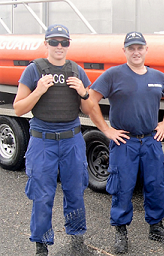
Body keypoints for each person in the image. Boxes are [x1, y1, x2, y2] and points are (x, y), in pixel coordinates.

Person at [88, 31, 164, 253]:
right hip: (124, 143)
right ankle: (121, 231)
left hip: (151, 141)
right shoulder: (113, 75)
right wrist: (107, 130)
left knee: (156, 185)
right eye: (131, 48)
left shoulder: (158, 77)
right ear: (125, 51)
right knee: (122, 187)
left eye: (140, 47)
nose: (136, 52)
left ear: (146, 49)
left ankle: (156, 227)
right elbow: (90, 101)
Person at [13, 24, 93, 256]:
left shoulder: (77, 70)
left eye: (64, 42)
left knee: (75, 191)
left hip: (72, 140)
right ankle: (42, 244)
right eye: (54, 42)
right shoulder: (33, 70)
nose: (59, 46)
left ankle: (76, 238)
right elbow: (18, 108)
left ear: (69, 44)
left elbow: (88, 109)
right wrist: (38, 91)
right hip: (43, 141)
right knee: (42, 194)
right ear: (46, 44)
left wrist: (83, 92)